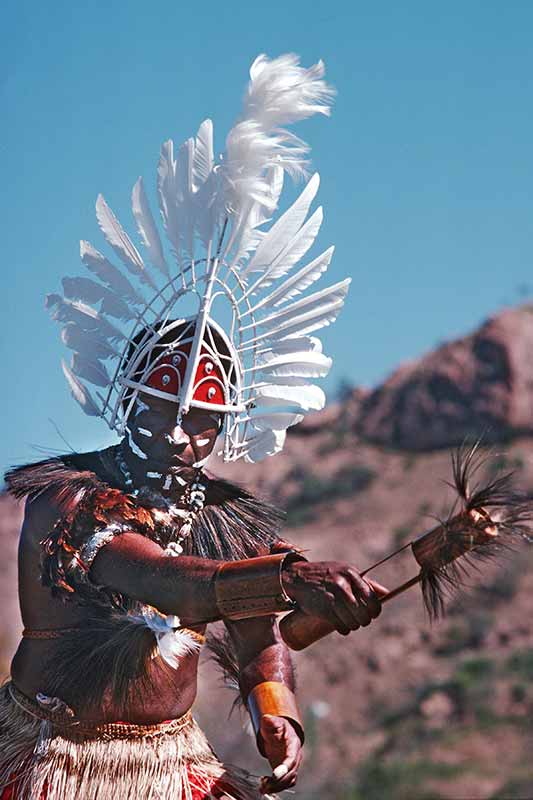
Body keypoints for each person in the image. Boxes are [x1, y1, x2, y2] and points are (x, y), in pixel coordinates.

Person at [1, 54, 385, 800]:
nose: (181, 434)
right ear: (126, 399)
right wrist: (290, 575)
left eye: (202, 419)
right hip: (55, 764)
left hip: (173, 765)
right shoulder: (72, 502)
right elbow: (174, 583)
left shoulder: (223, 517)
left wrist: (276, 709)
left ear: (228, 424)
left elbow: (255, 639)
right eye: (162, 408)